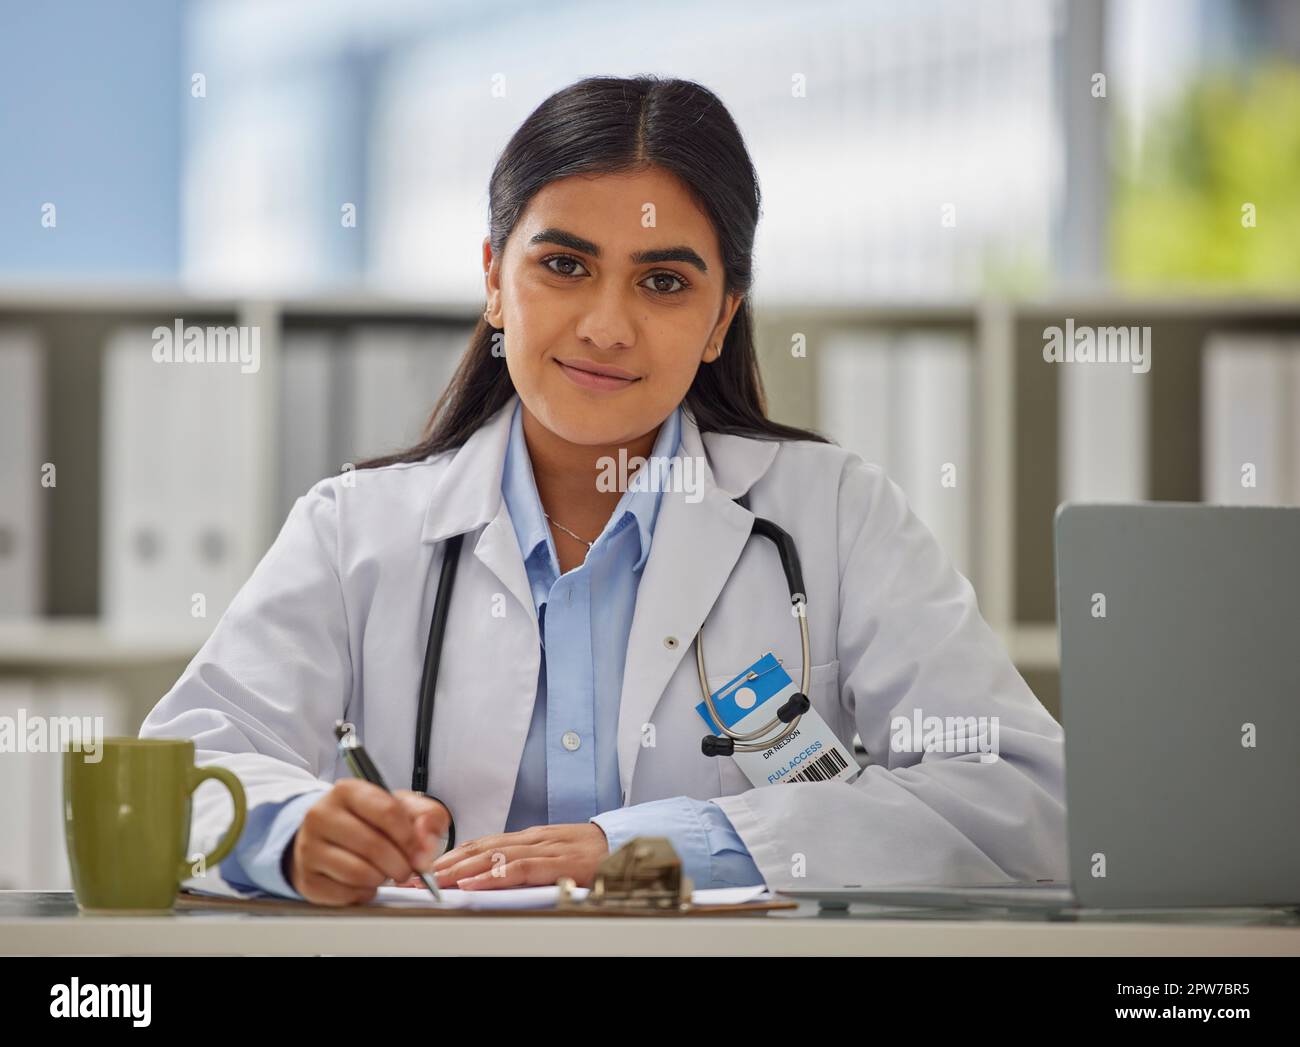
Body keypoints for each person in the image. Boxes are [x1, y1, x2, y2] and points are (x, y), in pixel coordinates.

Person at [140, 74, 1067, 906]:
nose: (607, 326)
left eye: (663, 282)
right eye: (565, 266)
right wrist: (292, 830)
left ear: (720, 322)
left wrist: (649, 850)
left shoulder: (832, 513)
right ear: (494, 281)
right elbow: (173, 777)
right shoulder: (355, 529)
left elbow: (1020, 793)